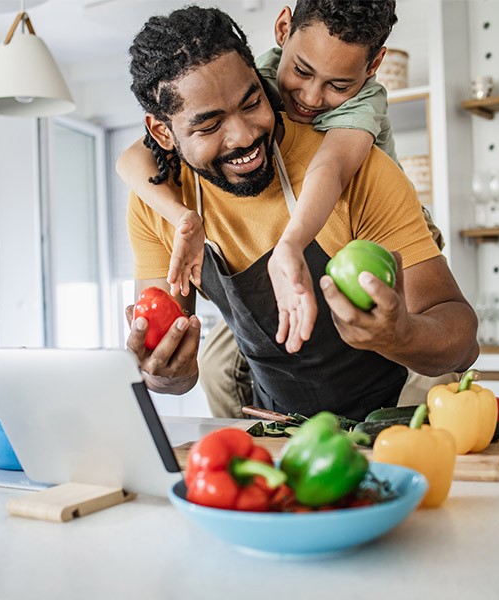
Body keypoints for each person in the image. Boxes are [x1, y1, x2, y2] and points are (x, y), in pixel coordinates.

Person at [124, 5, 479, 422]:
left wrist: (402, 333)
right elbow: (173, 367)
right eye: (209, 125)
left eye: (252, 101)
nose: (243, 135)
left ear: (261, 82)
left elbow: (463, 341)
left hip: (397, 423)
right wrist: (165, 376)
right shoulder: (157, 199)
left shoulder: (360, 167)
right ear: (163, 132)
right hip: (283, 430)